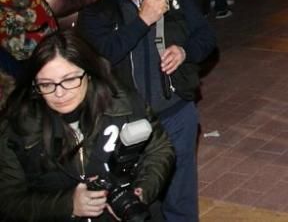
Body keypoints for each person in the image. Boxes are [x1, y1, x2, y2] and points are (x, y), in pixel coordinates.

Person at [79, 0, 216, 221]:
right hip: (126, 121)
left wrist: (184, 51)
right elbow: (106, 54)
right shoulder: (97, 14)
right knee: (139, 196)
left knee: (180, 192)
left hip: (176, 112)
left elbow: (206, 37)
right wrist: (144, 19)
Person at [0, 32, 175, 220]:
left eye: (69, 80)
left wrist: (141, 191)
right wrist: (68, 204)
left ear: (89, 74)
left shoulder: (122, 104)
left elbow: (159, 149)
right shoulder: (18, 128)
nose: (59, 93)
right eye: (46, 84)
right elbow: (8, 200)